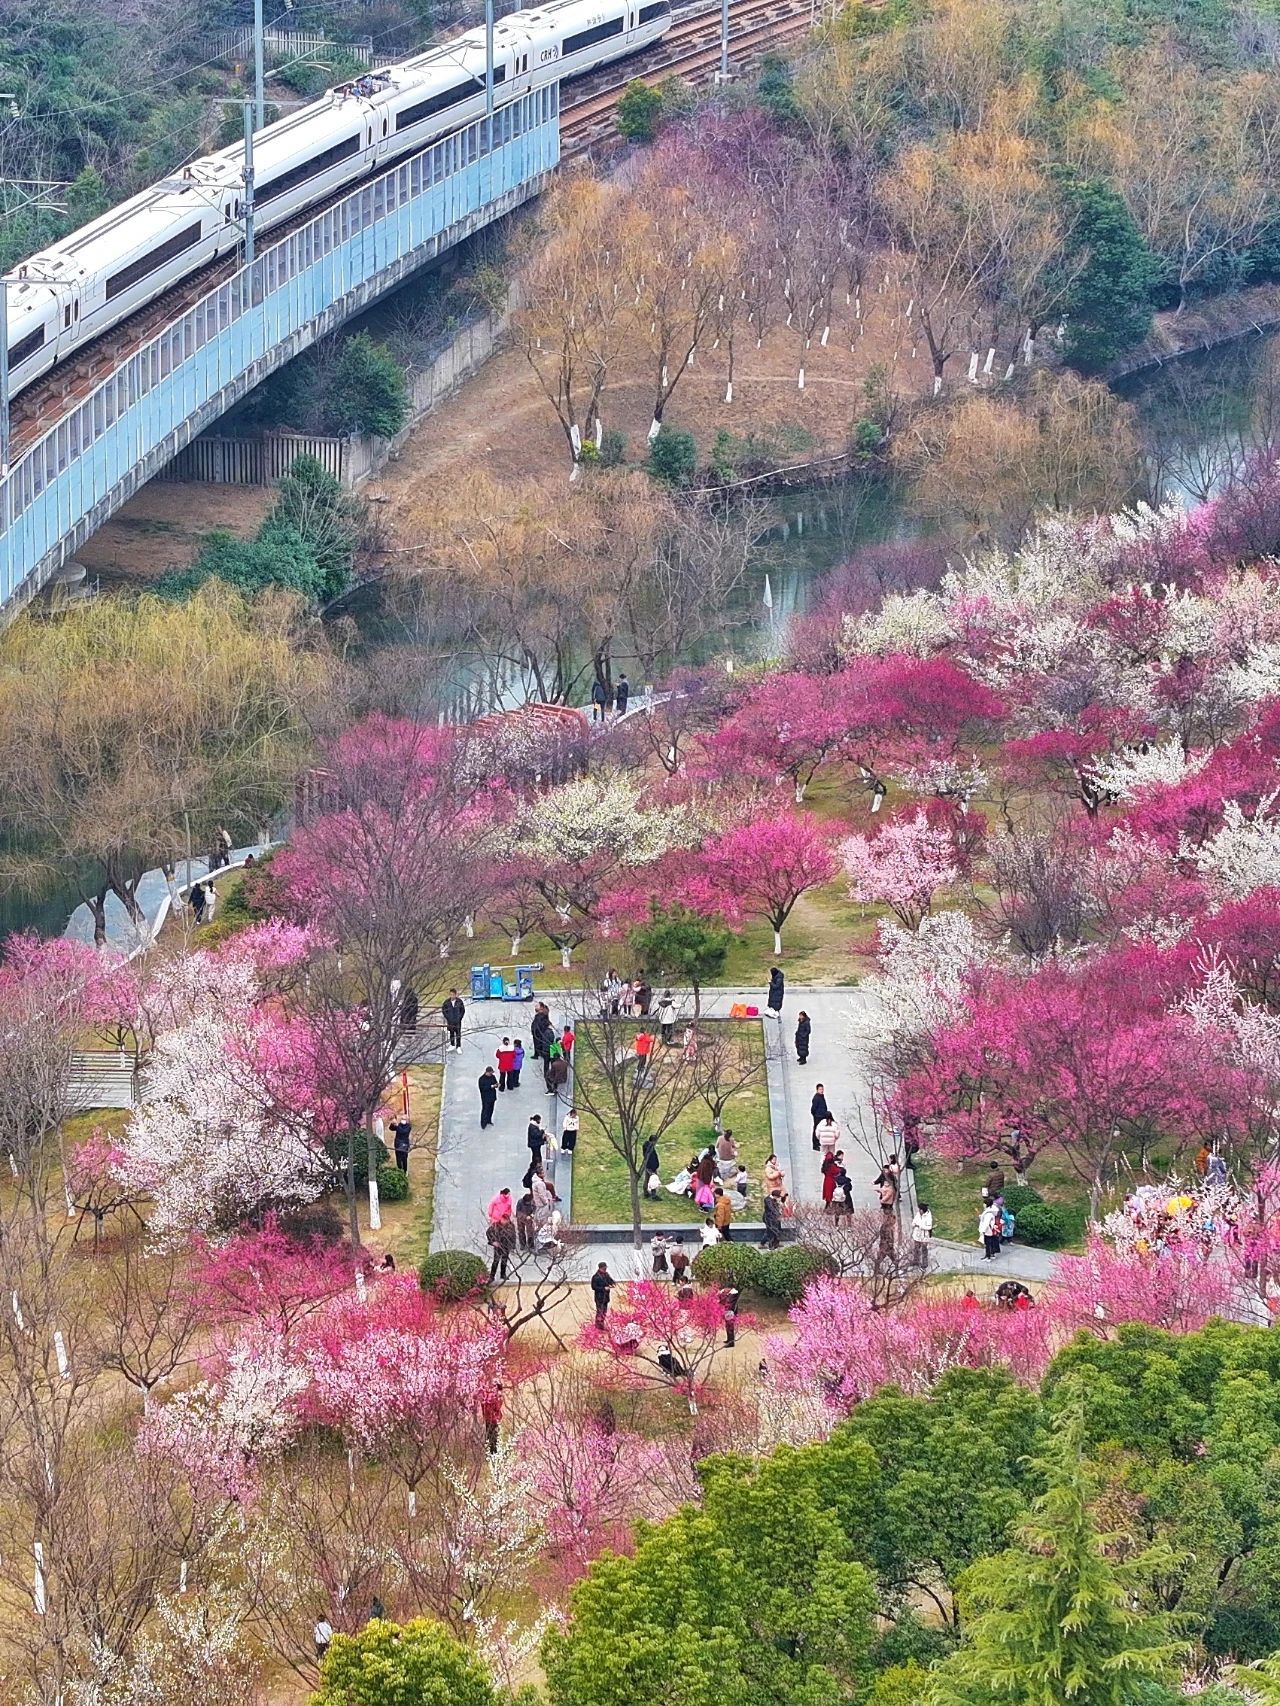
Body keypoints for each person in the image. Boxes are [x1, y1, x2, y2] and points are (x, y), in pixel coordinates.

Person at [487, 1212, 516, 1281]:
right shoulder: (496, 1225)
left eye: (506, 1220)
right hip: (498, 1246)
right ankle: (492, 1276)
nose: (505, 1222)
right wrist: (493, 1242)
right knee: (496, 1261)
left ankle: (503, 1274)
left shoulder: (511, 1226)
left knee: (504, 1261)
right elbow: (488, 1233)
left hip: (506, 1245)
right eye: (503, 1220)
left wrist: (513, 1246)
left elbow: (513, 1236)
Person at [910, 1200, 933, 1271]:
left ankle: (924, 1263)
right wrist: (914, 1224)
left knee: (924, 1250)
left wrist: (920, 1226)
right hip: (917, 1235)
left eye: (920, 1209)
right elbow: (914, 1221)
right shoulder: (918, 1214)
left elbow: (929, 1227)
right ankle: (915, 1261)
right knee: (916, 1248)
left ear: (922, 1210)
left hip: (924, 1236)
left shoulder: (928, 1217)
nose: (919, 1211)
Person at [481, 1384, 504, 1453]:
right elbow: (497, 1407)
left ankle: (492, 1453)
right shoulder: (495, 1396)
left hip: (490, 1419)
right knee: (493, 1440)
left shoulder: (489, 1396)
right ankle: (493, 1453)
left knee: (491, 1439)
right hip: (493, 1420)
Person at [591, 1262, 615, 1327]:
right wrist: (603, 1288)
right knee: (599, 1312)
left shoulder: (606, 1275)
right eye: (604, 1268)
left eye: (605, 1268)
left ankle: (602, 1325)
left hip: (606, 1297)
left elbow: (611, 1281)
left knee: (604, 1312)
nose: (605, 1270)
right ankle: (598, 1326)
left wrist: (612, 1284)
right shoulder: (595, 1277)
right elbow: (593, 1287)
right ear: (600, 1268)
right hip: (599, 1298)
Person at [811, 1084, 830, 1149]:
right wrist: (816, 1115)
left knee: (820, 1130)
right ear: (817, 1090)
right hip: (818, 1116)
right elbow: (813, 1109)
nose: (821, 1090)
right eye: (820, 1089)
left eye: (822, 1089)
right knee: (816, 1130)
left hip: (822, 1116)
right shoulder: (816, 1098)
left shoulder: (821, 1096)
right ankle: (815, 1144)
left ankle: (818, 1142)